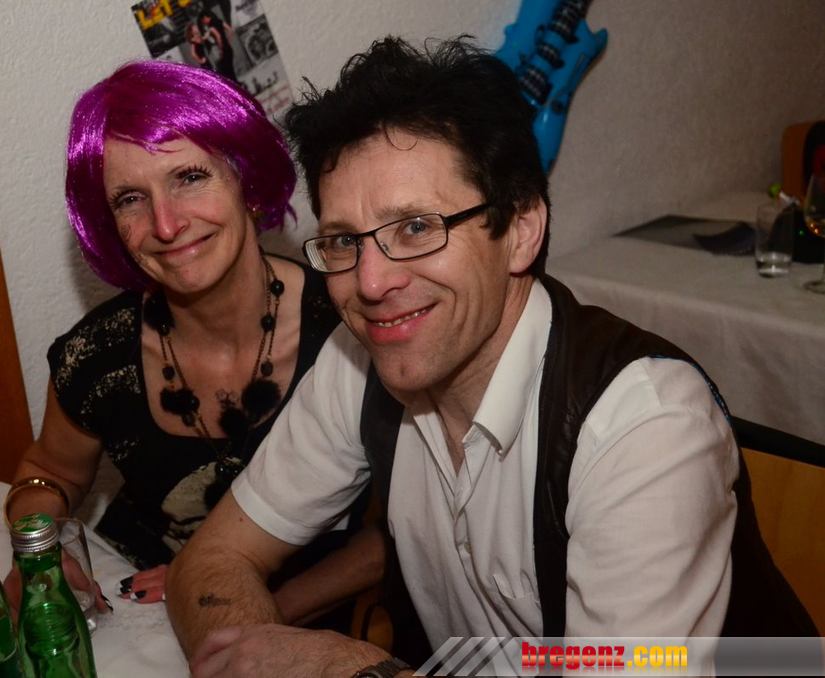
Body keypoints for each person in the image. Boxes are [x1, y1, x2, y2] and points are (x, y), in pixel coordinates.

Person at [165, 36, 817, 677]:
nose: (370, 282)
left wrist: (353, 668)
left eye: (415, 227)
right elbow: (214, 558)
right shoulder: (357, 359)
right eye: (343, 240)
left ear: (521, 230)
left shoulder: (645, 427)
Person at [2, 58, 382, 629]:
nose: (165, 224)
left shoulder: (354, 327)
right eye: (130, 199)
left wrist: (230, 607)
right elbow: (50, 470)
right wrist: (38, 549)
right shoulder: (97, 356)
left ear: (248, 181)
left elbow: (399, 538)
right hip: (134, 610)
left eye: (189, 178)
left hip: (298, 616)